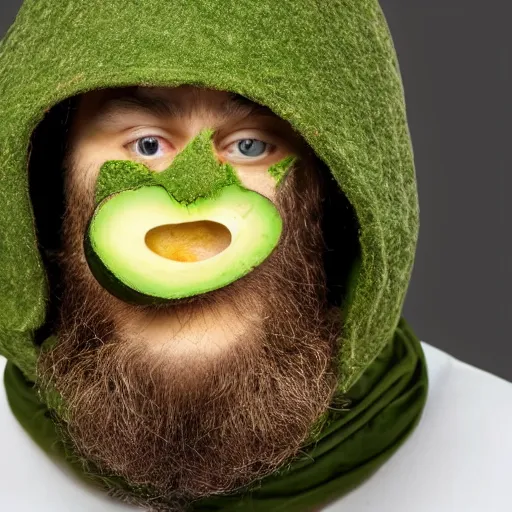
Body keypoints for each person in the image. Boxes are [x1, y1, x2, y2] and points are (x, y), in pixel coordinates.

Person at [0, 1, 510, 511]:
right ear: (50, 189)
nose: (192, 196)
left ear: (335, 195)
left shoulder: (498, 457)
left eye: (250, 146)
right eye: (147, 143)